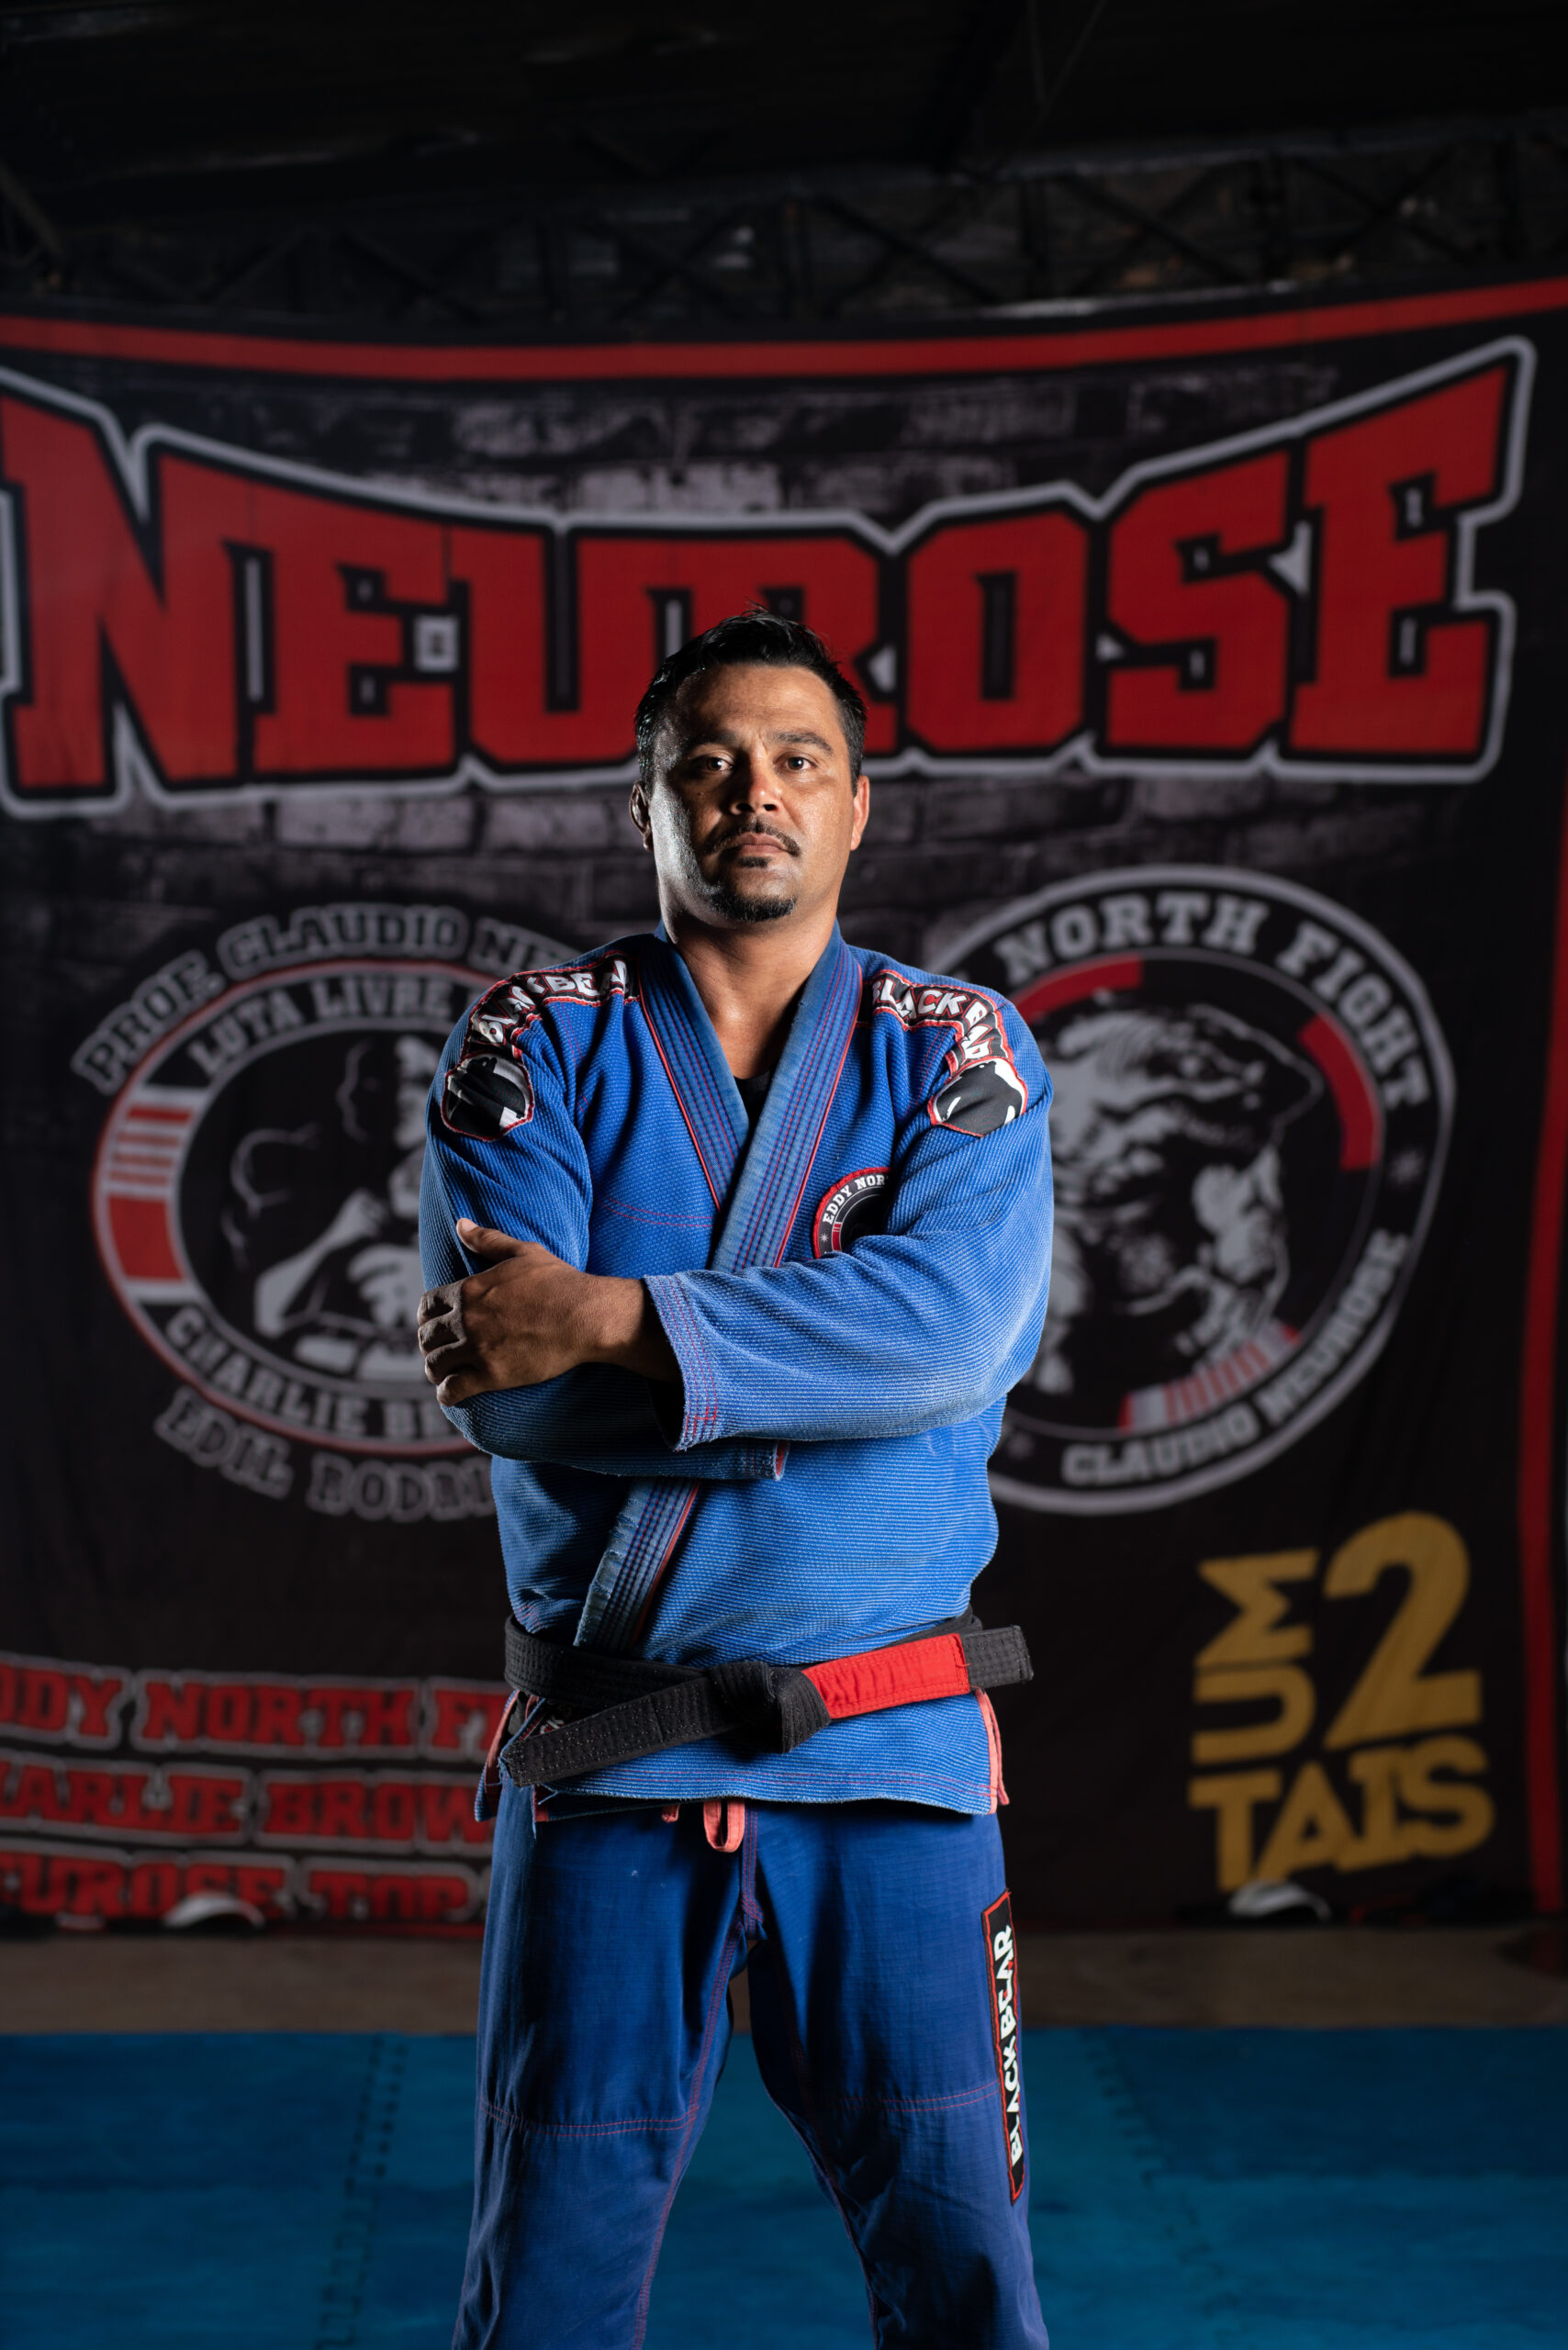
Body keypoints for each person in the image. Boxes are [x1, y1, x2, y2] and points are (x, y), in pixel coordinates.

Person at [417, 611, 1053, 2348]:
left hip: (891, 1754)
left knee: (969, 2278)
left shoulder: (958, 1050)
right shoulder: (529, 1045)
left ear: (856, 806)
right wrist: (836, 1380)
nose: (751, 792)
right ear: (645, 805)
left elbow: (953, 1340)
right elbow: (516, 1397)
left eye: (795, 760)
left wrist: (619, 1316)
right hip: (616, 1755)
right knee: (547, 2287)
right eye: (705, 763)